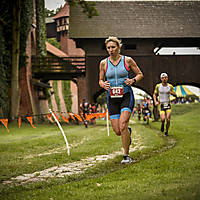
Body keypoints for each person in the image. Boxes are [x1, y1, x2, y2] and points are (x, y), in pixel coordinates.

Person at [99, 36, 143, 164]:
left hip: (126, 95)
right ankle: (127, 132)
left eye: (113, 47)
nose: (111, 50)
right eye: (108, 48)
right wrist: (103, 85)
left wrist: (133, 80)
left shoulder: (127, 60)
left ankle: (126, 155)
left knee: (123, 124)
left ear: (118, 47)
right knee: (118, 131)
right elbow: (100, 80)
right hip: (112, 98)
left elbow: (140, 74)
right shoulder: (103, 63)